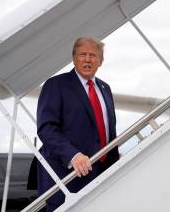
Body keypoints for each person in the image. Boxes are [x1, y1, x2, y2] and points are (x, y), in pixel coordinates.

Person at [36, 37, 119, 211]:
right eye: (82, 54)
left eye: (93, 55)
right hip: (67, 177)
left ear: (101, 61)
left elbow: (109, 132)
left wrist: (116, 164)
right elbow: (47, 128)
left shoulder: (105, 89)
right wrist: (73, 156)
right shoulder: (55, 85)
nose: (87, 59)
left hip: (102, 176)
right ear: (74, 58)